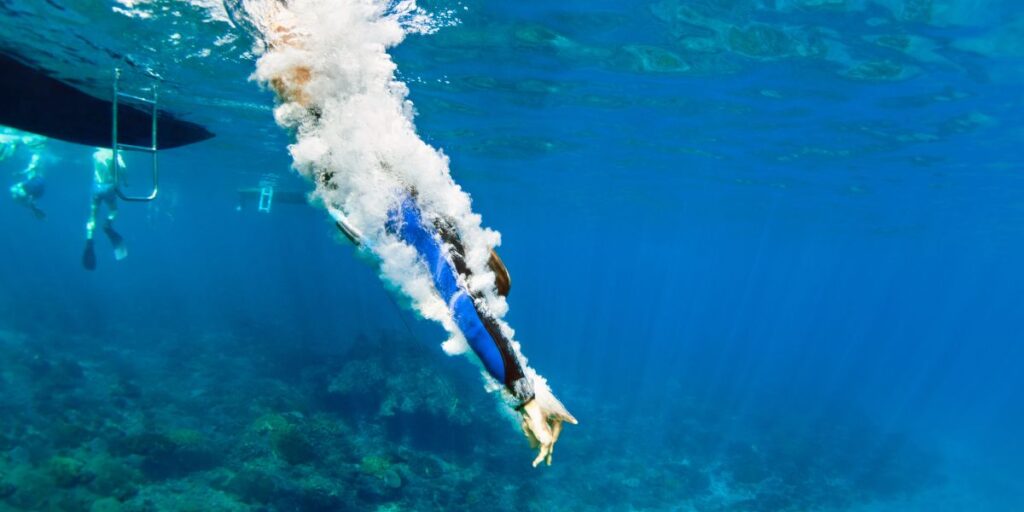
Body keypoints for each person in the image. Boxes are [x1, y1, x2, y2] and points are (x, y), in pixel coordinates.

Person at [248, 0, 576, 466]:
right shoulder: (412, 208)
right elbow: (465, 308)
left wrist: (530, 389)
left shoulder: (407, 189)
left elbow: (470, 307)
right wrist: (525, 396)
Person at [82, 148, 128, 270]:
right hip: (109, 187)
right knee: (113, 210)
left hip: (96, 187)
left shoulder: (96, 154)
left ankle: (89, 239)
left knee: (92, 215)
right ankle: (107, 224)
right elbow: (122, 168)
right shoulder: (116, 154)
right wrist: (126, 180)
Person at [2, 129, 48, 219]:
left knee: (20, 190)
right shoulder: (35, 171)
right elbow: (30, 169)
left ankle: (33, 207)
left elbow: (30, 170)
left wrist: (21, 173)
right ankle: (33, 207)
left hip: (34, 188)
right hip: (35, 186)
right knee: (20, 190)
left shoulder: (33, 175)